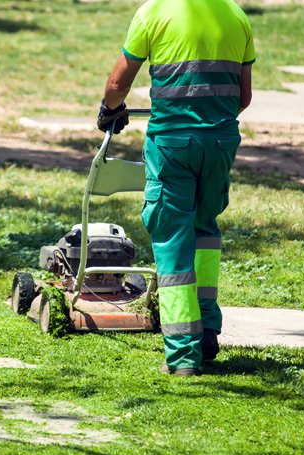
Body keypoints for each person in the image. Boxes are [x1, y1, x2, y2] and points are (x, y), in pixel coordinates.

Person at [97, 0, 255, 376]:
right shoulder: (236, 15)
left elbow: (119, 83)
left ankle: (183, 354)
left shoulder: (153, 12)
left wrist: (109, 109)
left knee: (172, 239)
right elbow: (243, 97)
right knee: (205, 232)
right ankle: (207, 332)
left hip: (172, 144)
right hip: (220, 143)